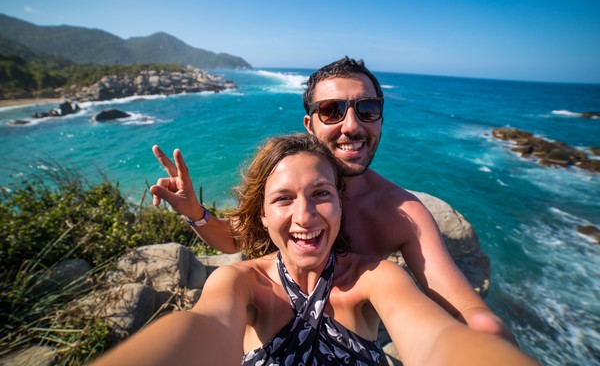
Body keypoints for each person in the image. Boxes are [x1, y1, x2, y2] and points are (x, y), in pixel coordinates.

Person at [150, 57, 513, 341]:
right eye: (332, 110)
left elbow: (464, 306)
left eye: (367, 109)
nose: (352, 125)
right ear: (310, 125)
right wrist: (194, 212)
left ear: (381, 121)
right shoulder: (281, 182)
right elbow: (232, 240)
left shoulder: (400, 213)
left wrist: (489, 337)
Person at [95, 134, 536, 366]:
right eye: (284, 198)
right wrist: (195, 213)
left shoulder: (373, 279)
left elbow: (438, 340)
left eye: (321, 194)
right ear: (262, 217)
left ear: (342, 206)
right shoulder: (241, 281)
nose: (305, 216)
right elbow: (203, 328)